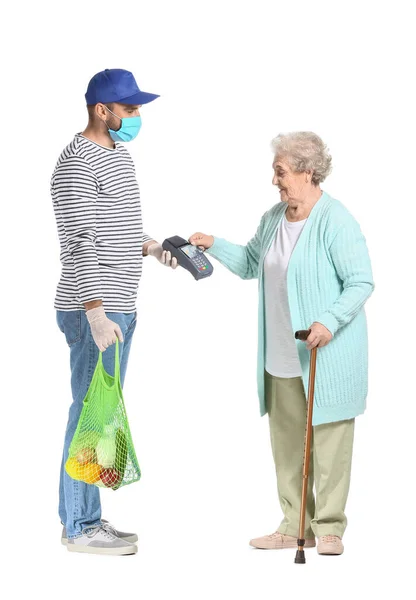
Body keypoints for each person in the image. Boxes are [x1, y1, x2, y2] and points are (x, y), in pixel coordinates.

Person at [189, 132, 374, 556]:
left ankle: (328, 529)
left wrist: (328, 322)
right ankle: (295, 526)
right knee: (288, 447)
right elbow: (252, 263)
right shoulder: (274, 217)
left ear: (309, 172)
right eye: (276, 171)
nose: (275, 180)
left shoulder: (335, 220)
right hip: (280, 355)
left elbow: (361, 280)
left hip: (325, 354)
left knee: (329, 445)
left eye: (281, 171)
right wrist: (213, 244)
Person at [51, 68, 177, 555]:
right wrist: (96, 312)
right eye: (129, 109)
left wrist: (152, 247)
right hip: (95, 310)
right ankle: (79, 529)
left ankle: (86, 519)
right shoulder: (76, 163)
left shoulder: (119, 156)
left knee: (101, 417)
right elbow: (80, 243)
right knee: (88, 414)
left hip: (122, 305)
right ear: (102, 110)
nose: (136, 117)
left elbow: (114, 230)